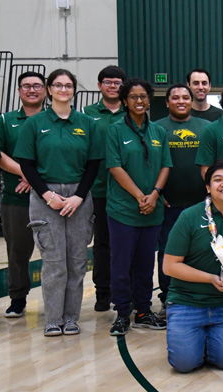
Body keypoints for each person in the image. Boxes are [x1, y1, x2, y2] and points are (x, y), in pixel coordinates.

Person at [15, 68, 100, 336]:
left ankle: (71, 317)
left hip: (79, 197)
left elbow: (94, 164)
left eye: (68, 85)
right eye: (58, 85)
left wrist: (78, 196)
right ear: (49, 90)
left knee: (76, 261)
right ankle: (53, 319)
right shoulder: (34, 124)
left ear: (74, 90)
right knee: (53, 261)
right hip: (45, 196)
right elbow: (26, 165)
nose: (63, 89)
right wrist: (47, 195)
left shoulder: (87, 124)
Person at [163, 160, 223, 372]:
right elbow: (170, 266)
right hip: (186, 302)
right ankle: (194, 340)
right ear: (208, 187)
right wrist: (210, 279)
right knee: (184, 365)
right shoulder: (189, 217)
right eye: (217, 180)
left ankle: (206, 340)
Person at [104, 79, 172, 336]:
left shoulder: (158, 132)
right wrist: (139, 196)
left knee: (145, 264)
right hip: (123, 210)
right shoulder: (115, 130)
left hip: (152, 210)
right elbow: (115, 167)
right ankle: (122, 313)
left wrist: (154, 195)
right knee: (121, 264)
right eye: (133, 97)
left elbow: (165, 165)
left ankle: (143, 311)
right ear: (124, 101)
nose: (140, 101)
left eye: (144, 96)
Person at [155, 83, 211, 314]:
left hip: (201, 205)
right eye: (175, 97)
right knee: (168, 252)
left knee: (203, 252)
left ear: (191, 101)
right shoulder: (156, 128)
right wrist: (157, 193)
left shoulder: (207, 127)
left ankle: (201, 295)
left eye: (185, 97)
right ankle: (169, 298)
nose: (180, 101)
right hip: (168, 205)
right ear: (167, 102)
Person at [0, 71, 45, 318]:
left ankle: (58, 301)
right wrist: (27, 173)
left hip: (51, 198)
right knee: (17, 252)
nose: (32, 90)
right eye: (26, 86)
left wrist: (36, 179)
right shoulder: (5, 120)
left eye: (37, 85)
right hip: (16, 198)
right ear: (18, 90)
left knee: (56, 254)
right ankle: (18, 299)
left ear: (45, 90)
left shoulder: (55, 118)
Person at [84, 65, 126, 313]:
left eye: (117, 82)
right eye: (108, 82)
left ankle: (126, 292)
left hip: (125, 191)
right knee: (101, 244)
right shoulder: (87, 114)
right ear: (99, 86)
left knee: (125, 244)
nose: (113, 86)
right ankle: (102, 292)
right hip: (97, 190)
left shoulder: (132, 112)